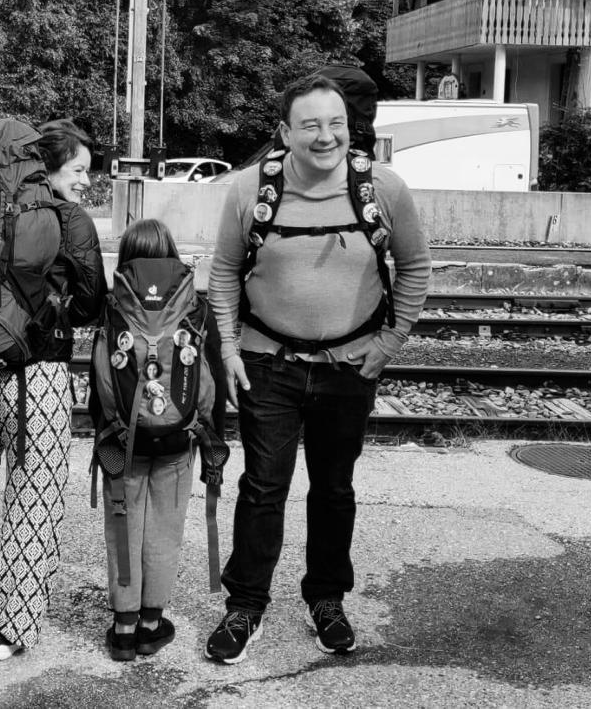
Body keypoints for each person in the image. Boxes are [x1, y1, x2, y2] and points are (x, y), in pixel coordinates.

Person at [204, 73, 431, 664]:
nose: (325, 136)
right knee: (262, 488)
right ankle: (246, 606)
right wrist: (227, 348)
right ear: (285, 133)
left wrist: (390, 343)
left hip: (348, 369)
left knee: (333, 490)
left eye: (336, 123)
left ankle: (327, 599)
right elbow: (225, 273)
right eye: (310, 125)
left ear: (349, 127)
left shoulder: (384, 188)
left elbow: (416, 267)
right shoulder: (250, 190)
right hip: (266, 363)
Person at [0, 118, 106, 660]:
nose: (85, 181)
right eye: (79, 170)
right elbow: (90, 305)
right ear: (49, 168)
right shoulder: (69, 219)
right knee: (35, 492)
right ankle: (8, 626)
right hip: (38, 376)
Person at [88, 218, 228, 661]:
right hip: (178, 442)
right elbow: (213, 384)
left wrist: (103, 434)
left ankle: (123, 627)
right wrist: (214, 444)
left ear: (126, 258)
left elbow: (99, 379)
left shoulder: (111, 307)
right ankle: (151, 624)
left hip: (123, 443)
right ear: (170, 253)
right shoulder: (196, 307)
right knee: (166, 530)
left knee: (124, 529)